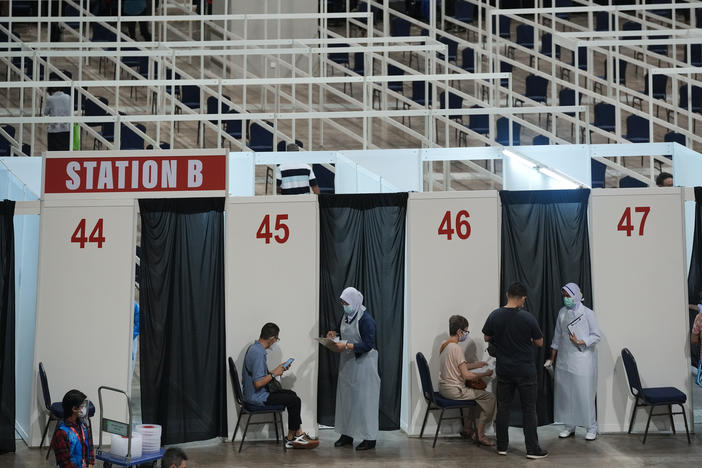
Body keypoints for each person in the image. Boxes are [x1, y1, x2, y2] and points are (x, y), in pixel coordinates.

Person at [482, 282, 548, 459]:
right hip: (525, 370)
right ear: (523, 298)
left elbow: (487, 336)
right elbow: (540, 342)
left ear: (506, 294)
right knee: (529, 409)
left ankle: (502, 446)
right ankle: (532, 449)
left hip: (504, 369)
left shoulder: (495, 315)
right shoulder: (527, 318)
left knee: (504, 408)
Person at [241, 322, 319, 449]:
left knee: (292, 395)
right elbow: (258, 383)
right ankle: (294, 437)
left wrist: (276, 370)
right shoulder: (258, 353)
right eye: (277, 339)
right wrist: (273, 374)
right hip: (257, 397)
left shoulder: (256, 348)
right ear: (272, 339)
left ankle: (293, 436)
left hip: (258, 393)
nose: (276, 341)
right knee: (294, 400)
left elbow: (259, 376)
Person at [326, 287, 380, 451]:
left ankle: (370, 438)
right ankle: (346, 434)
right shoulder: (345, 316)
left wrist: (348, 345)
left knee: (365, 402)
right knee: (346, 401)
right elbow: (339, 331)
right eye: (342, 303)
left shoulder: (366, 319)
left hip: (364, 365)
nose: (344, 306)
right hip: (348, 364)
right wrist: (332, 334)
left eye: (346, 303)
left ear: (355, 302)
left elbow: (368, 344)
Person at [548, 283, 601, 441]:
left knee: (584, 394)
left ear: (576, 295)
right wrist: (552, 359)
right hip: (564, 361)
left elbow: (596, 335)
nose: (566, 299)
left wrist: (581, 341)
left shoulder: (588, 313)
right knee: (566, 395)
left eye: (568, 295)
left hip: (582, 360)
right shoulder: (562, 313)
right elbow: (556, 338)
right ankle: (569, 425)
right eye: (563, 296)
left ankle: (591, 427)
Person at [438, 315, 496, 446]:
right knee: (489, 398)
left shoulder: (445, 345)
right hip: (455, 391)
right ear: (459, 332)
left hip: (444, 388)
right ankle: (480, 434)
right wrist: (485, 373)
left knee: (477, 394)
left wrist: (478, 365)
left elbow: (458, 366)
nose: (466, 334)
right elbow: (466, 375)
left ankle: (468, 427)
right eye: (466, 331)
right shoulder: (457, 348)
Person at [51, 389, 95, 468]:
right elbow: (64, 462)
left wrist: (90, 464)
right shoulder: (61, 433)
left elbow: (90, 447)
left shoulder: (84, 426)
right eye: (82, 406)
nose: (84, 409)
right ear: (74, 409)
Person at [44, 84, 72, 151]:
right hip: (66, 128)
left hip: (54, 129)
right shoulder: (68, 97)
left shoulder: (50, 99)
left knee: (53, 152)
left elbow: (45, 112)